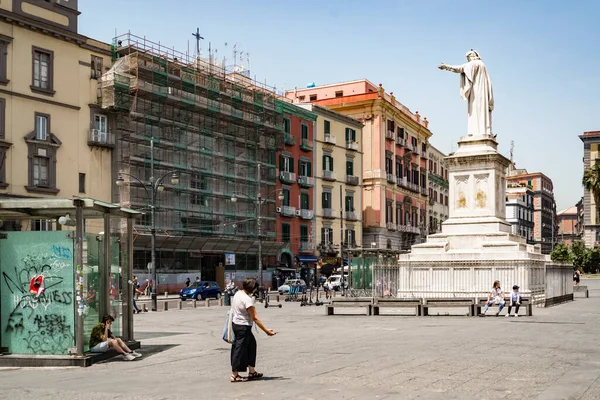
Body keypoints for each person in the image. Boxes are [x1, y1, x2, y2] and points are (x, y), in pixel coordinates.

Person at [438, 50, 494, 136]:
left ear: (471, 56)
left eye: (468, 57)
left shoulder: (475, 63)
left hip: (477, 92)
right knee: (481, 111)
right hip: (482, 93)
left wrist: (446, 66)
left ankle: (476, 131)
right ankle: (483, 130)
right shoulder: (482, 65)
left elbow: (460, 68)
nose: (468, 59)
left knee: (475, 110)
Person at [230, 277, 276, 382]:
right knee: (239, 350)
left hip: (236, 324)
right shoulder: (247, 300)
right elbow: (255, 318)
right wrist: (266, 331)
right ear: (253, 289)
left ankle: (251, 371)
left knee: (252, 345)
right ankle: (234, 375)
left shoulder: (238, 293)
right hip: (243, 327)